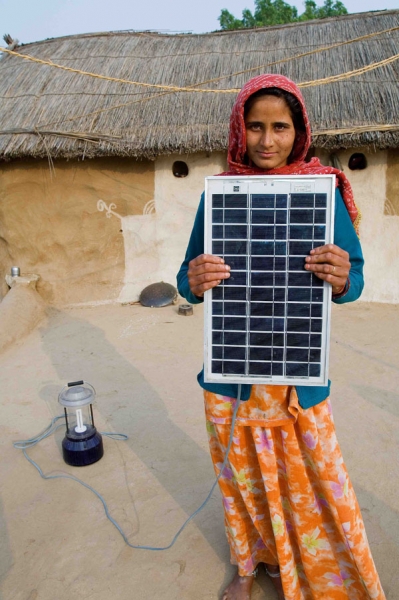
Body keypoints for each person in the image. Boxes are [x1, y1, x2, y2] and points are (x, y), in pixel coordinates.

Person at [177, 74, 385, 600]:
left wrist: (342, 277)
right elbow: (188, 275)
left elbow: (354, 281)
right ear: (239, 131)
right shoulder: (221, 195)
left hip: (298, 380)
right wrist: (192, 281)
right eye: (255, 127)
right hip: (231, 378)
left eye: (280, 127)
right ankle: (249, 567)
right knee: (241, 484)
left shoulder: (323, 193)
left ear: (299, 132)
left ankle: (309, 572)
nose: (267, 141)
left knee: (312, 485)